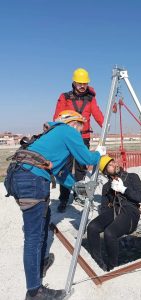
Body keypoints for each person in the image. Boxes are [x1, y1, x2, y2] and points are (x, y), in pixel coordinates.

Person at [4, 110, 103, 300]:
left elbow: (60, 173)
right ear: (73, 123)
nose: (79, 132)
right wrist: (99, 154)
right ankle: (34, 291)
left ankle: (39, 264)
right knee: (33, 237)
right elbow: (87, 159)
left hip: (19, 176)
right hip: (32, 180)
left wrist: (75, 186)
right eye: (80, 128)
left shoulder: (51, 136)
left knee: (44, 219)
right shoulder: (67, 131)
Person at [53, 68, 104, 212]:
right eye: (79, 83)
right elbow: (57, 117)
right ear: (74, 83)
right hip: (67, 138)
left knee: (81, 169)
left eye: (85, 83)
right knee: (66, 168)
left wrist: (105, 126)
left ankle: (78, 195)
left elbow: (97, 114)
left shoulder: (91, 98)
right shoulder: (65, 97)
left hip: (84, 137)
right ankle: (63, 198)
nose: (82, 86)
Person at [87, 155, 141, 272]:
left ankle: (112, 266)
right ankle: (98, 261)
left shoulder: (132, 177)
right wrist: (108, 218)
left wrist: (124, 189)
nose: (114, 164)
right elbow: (104, 208)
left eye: (113, 162)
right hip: (115, 210)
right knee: (92, 227)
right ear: (105, 172)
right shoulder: (106, 187)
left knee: (109, 233)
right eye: (109, 165)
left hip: (130, 211)